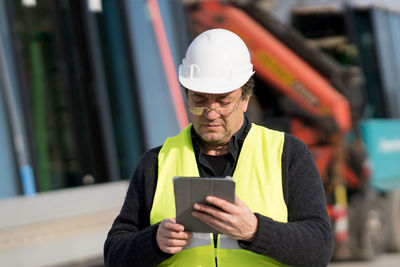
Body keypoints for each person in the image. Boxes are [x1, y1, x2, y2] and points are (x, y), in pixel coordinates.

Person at [104, 28, 333, 267]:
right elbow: (114, 255)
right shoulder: (157, 162)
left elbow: (319, 249)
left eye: (223, 101)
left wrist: (255, 230)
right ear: (187, 97)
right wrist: (153, 242)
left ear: (245, 99)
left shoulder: (287, 154)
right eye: (199, 100)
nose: (211, 113)